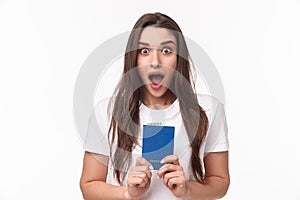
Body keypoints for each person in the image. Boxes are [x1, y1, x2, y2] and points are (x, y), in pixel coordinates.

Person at [80, 12, 230, 200]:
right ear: (133, 58)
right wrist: (127, 193)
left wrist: (187, 190)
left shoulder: (208, 109)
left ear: (179, 59)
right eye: (144, 51)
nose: (155, 62)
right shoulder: (107, 111)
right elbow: (88, 185)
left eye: (166, 51)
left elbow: (220, 181)